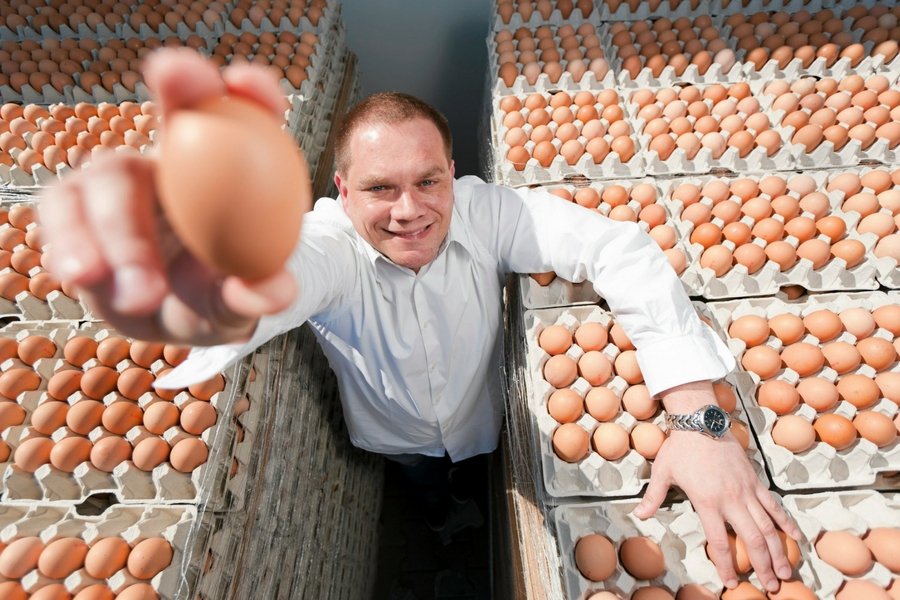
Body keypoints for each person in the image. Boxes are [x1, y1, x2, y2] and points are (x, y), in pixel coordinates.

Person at [40, 48, 799, 593]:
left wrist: (698, 416)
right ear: (341, 189)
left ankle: (461, 507)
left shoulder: (486, 211)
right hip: (394, 433)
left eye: (427, 180)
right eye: (380, 189)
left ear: (452, 171)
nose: (410, 211)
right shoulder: (328, 244)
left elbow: (617, 249)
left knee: (468, 472)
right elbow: (280, 279)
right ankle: (439, 525)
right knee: (421, 486)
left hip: (480, 422)